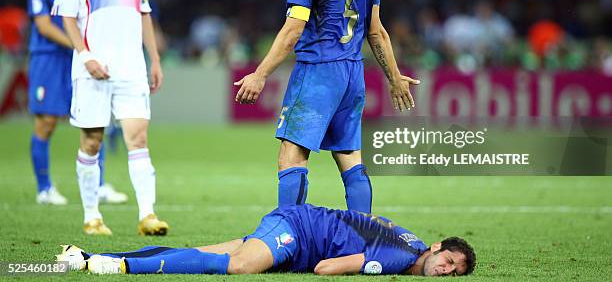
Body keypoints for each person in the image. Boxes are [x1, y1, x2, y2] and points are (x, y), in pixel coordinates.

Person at [234, 0, 419, 213]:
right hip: (352, 74)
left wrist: (260, 73)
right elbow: (377, 32)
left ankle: (287, 234)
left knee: (292, 154)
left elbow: (293, 30)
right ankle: (363, 237)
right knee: (350, 156)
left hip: (318, 73)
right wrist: (394, 77)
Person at [52, 0, 167, 235]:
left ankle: (148, 215)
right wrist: (86, 55)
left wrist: (155, 58)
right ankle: (92, 217)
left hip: (131, 68)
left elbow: (143, 12)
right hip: (92, 69)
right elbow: (67, 15)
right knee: (92, 141)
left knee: (139, 138)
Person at [57, 204, 475, 276]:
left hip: (301, 225)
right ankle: (125, 267)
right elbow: (325, 268)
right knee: (239, 266)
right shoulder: (398, 258)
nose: (448, 271)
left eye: (455, 274)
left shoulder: (409, 242)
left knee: (206, 255)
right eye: (451, 261)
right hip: (298, 231)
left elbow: (365, 222)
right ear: (437, 246)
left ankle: (91, 256)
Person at [27, 0, 127, 205]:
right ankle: (44, 188)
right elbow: (44, 26)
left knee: (94, 119)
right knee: (46, 123)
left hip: (80, 58)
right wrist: (81, 49)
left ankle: (99, 184)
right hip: (49, 59)